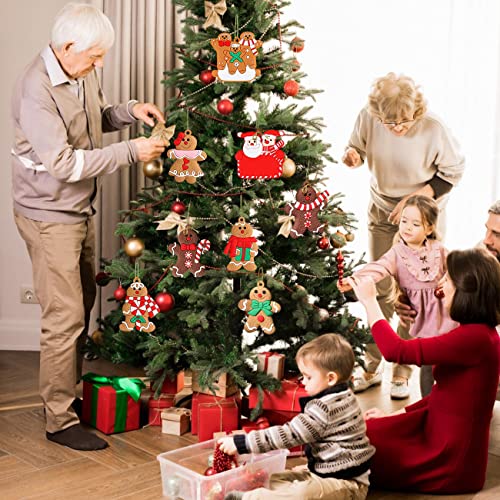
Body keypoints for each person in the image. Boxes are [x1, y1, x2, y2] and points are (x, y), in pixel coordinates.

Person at [11, 3, 168, 451]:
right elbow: (61, 162)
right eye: (95, 56)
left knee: (81, 303)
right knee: (64, 318)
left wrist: (129, 111)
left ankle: (67, 398)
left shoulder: (78, 70)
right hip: (48, 216)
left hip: (78, 210)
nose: (100, 64)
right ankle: (59, 420)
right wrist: (130, 152)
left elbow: (91, 120)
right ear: (65, 47)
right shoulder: (35, 90)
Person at [342, 72, 465, 398]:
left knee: (417, 296)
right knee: (379, 290)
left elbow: (453, 172)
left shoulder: (433, 128)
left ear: (417, 111)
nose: (396, 128)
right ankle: (372, 363)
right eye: (388, 123)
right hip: (383, 214)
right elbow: (357, 146)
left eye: (404, 122)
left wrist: (418, 199)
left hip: (423, 219)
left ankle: (402, 368)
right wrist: (354, 155)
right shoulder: (369, 117)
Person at [347, 248, 500, 494]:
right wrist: (395, 415)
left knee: (352, 448)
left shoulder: (476, 339)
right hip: (433, 431)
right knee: (358, 432)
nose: (441, 284)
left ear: (466, 291)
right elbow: (445, 393)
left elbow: (396, 350)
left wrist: (369, 301)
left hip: (447, 459)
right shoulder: (477, 333)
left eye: (448, 279)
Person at [218, 334, 375, 500]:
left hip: (348, 484)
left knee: (302, 494)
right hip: (326, 471)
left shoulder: (325, 408)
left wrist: (244, 443)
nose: (303, 382)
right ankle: (264, 491)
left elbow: (289, 434)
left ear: (330, 378)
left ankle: (250, 498)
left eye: (308, 377)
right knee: (274, 478)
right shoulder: (345, 394)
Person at [338, 195, 458, 398]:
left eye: (415, 224)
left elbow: (457, 268)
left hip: (447, 317)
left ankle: (453, 400)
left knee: (449, 364)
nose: (407, 227)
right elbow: (378, 268)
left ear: (429, 229)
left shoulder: (439, 250)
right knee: (427, 365)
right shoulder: (396, 254)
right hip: (421, 323)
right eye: (404, 221)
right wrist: (354, 279)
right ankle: (427, 404)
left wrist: (449, 281)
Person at [396, 199, 500, 326]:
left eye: (497, 234)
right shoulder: (486, 251)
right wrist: (410, 302)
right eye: (487, 230)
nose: (486, 240)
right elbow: (446, 290)